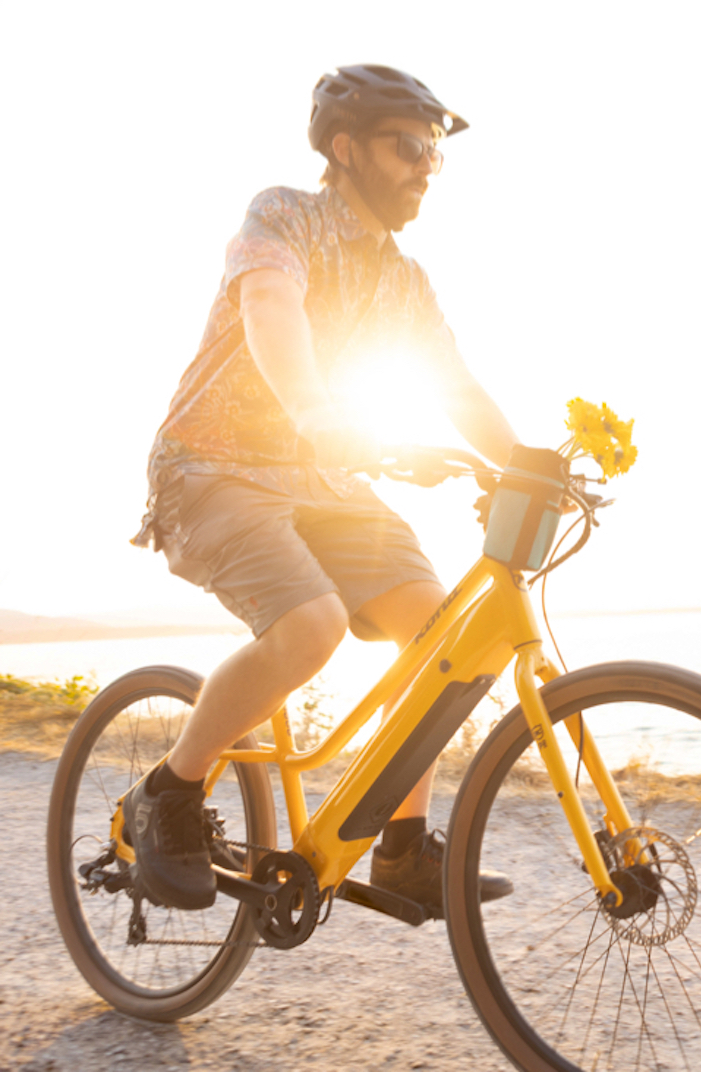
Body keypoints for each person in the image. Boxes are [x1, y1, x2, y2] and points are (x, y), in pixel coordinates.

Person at [124, 64, 516, 916]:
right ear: (345, 148)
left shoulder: (403, 278)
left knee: (444, 637)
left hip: (319, 481)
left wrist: (527, 461)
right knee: (312, 625)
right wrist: (314, 411)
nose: (426, 166)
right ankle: (167, 794)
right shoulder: (284, 216)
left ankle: (402, 848)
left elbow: (455, 385)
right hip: (210, 469)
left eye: (435, 154)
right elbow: (272, 306)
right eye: (408, 146)